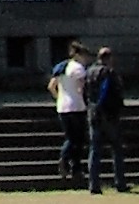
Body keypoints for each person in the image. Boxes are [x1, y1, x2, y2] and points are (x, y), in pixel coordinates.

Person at [83, 46, 129, 192]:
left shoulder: (89, 72)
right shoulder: (110, 73)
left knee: (95, 150)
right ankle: (120, 182)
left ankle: (93, 184)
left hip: (93, 114)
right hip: (109, 115)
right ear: (109, 58)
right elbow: (116, 93)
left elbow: (84, 93)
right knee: (116, 149)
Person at [48, 40, 93, 182]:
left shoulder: (61, 67)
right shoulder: (78, 69)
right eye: (85, 57)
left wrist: (58, 98)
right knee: (77, 139)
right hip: (77, 107)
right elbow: (82, 88)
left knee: (71, 137)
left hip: (62, 107)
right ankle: (66, 159)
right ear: (80, 55)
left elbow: (51, 86)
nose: (86, 60)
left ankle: (75, 168)